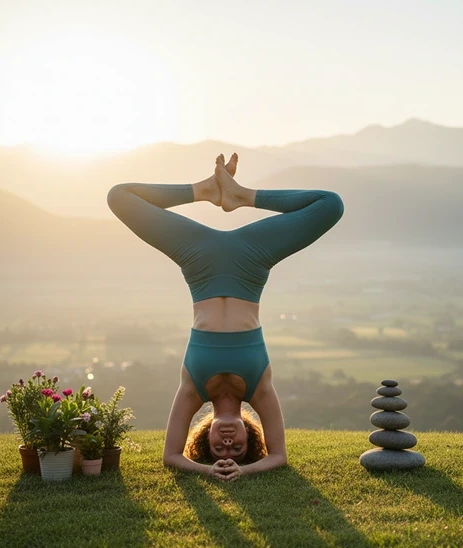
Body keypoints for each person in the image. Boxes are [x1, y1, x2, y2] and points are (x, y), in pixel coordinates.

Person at [107, 153, 344, 481]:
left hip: (198, 259)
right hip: (251, 259)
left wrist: (206, 470)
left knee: (118, 197)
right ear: (251, 434)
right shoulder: (260, 388)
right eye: (238, 449)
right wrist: (243, 472)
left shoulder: (192, 389)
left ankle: (204, 189)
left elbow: (171, 456)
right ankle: (240, 195)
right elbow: (279, 456)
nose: (229, 445)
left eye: (220, 449)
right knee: (331, 205)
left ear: (207, 436)